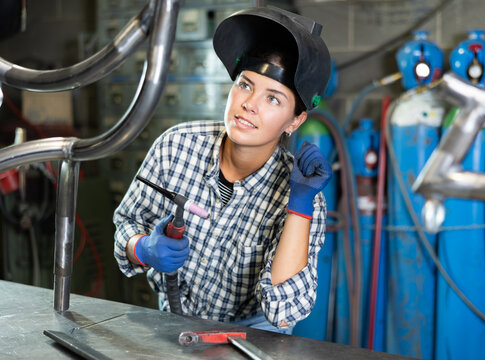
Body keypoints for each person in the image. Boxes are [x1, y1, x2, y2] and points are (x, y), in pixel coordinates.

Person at [113, 5, 332, 334]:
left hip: (253, 337)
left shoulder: (303, 198)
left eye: (273, 98)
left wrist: (298, 206)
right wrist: (143, 248)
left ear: (295, 121)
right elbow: (126, 228)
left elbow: (284, 311)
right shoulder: (176, 146)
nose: (250, 104)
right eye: (245, 85)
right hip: (173, 326)